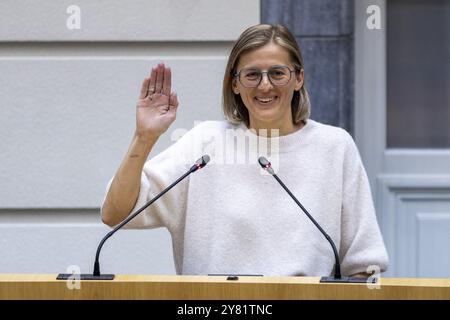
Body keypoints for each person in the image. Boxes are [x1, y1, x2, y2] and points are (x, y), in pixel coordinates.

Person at [101, 24, 389, 277]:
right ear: (235, 84)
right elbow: (116, 213)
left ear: (298, 78)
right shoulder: (206, 144)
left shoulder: (335, 147)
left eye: (278, 73)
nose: (265, 86)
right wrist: (144, 136)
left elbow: (364, 265)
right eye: (252, 75)